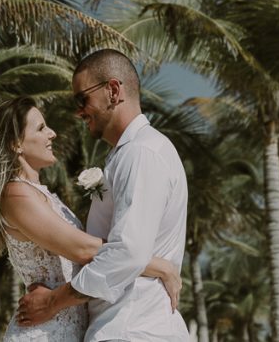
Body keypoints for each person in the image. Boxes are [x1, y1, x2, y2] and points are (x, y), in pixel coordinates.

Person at [0, 95, 182, 341]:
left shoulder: (40, 194)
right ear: (15, 144)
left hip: (67, 329)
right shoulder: (15, 194)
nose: (52, 133)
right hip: (44, 331)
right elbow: (82, 249)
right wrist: (161, 267)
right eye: (41, 128)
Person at [16, 49, 189, 341]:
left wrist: (53, 301)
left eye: (82, 99)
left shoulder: (141, 153)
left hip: (132, 326)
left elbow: (128, 252)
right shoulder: (128, 154)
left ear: (113, 91)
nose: (78, 111)